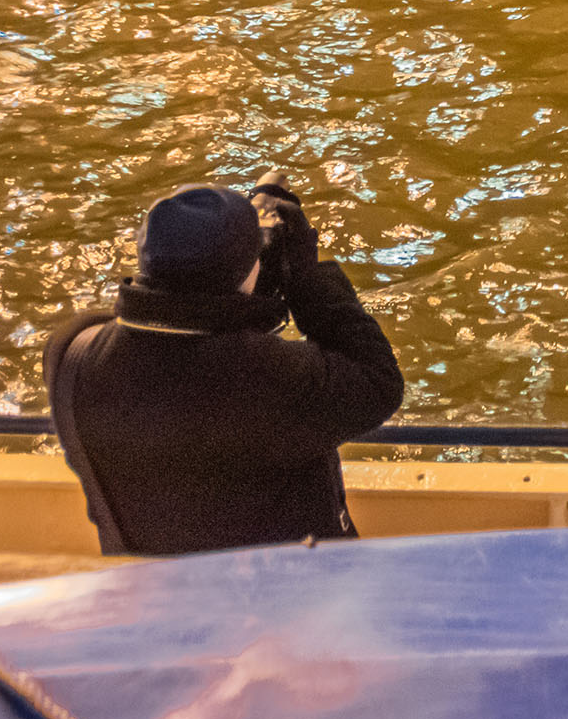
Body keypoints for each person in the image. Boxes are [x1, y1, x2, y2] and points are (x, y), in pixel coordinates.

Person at [45, 179, 404, 557]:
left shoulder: (72, 350)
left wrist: (241, 287)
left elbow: (176, 333)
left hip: (154, 592)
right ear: (248, 268)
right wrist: (303, 274)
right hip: (283, 598)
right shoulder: (271, 380)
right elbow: (378, 382)